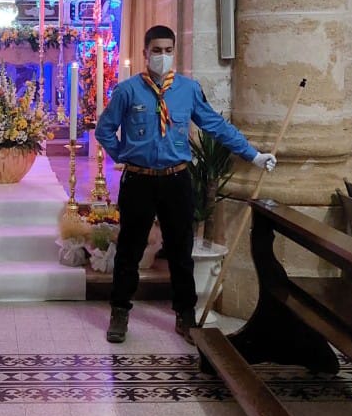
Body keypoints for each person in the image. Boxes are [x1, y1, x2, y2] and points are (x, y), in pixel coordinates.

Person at [95, 25, 276, 345]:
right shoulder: (127, 91)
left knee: (180, 250)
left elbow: (216, 126)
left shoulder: (188, 90)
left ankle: (185, 313)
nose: (162, 56)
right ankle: (120, 311)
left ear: (174, 52)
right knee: (129, 250)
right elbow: (104, 129)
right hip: (138, 180)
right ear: (145, 53)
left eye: (168, 50)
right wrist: (122, 154)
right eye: (156, 50)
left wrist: (253, 155)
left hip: (176, 179)